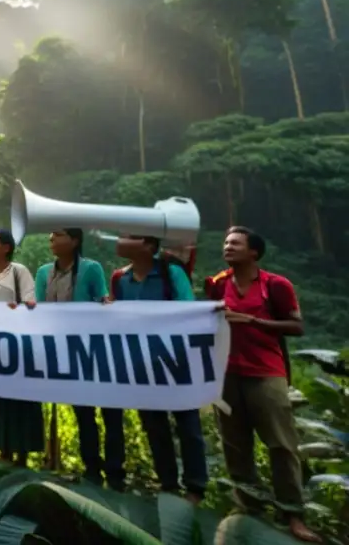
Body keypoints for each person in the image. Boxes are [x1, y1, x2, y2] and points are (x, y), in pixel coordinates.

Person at [205, 226, 320, 543]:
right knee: (234, 444)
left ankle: (293, 514)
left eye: (235, 243)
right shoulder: (216, 283)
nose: (228, 246)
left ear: (253, 251)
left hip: (266, 372)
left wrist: (255, 322)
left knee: (281, 445)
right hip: (226, 372)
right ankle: (249, 507)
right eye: (226, 241)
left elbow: (296, 326)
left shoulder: (276, 285)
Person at [111, 235, 208, 503]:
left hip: (176, 359)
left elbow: (187, 310)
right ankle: (168, 484)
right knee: (154, 426)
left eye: (131, 237)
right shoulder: (120, 278)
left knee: (188, 425)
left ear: (150, 246)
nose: (121, 240)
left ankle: (195, 487)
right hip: (142, 362)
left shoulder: (171, 272)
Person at [34, 228, 123, 490]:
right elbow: (40, 309)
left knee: (111, 414)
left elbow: (101, 300)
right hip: (68, 352)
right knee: (84, 414)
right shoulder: (43, 273)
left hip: (96, 348)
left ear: (74, 241)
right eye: (50, 234)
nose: (52, 238)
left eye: (59, 235)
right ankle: (92, 468)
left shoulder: (91, 269)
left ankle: (116, 471)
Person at [0, 228, 43, 467]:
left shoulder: (19, 272)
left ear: (6, 247)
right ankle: (3, 449)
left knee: (21, 399)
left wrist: (24, 307)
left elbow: (30, 300)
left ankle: (23, 453)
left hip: (17, 346)